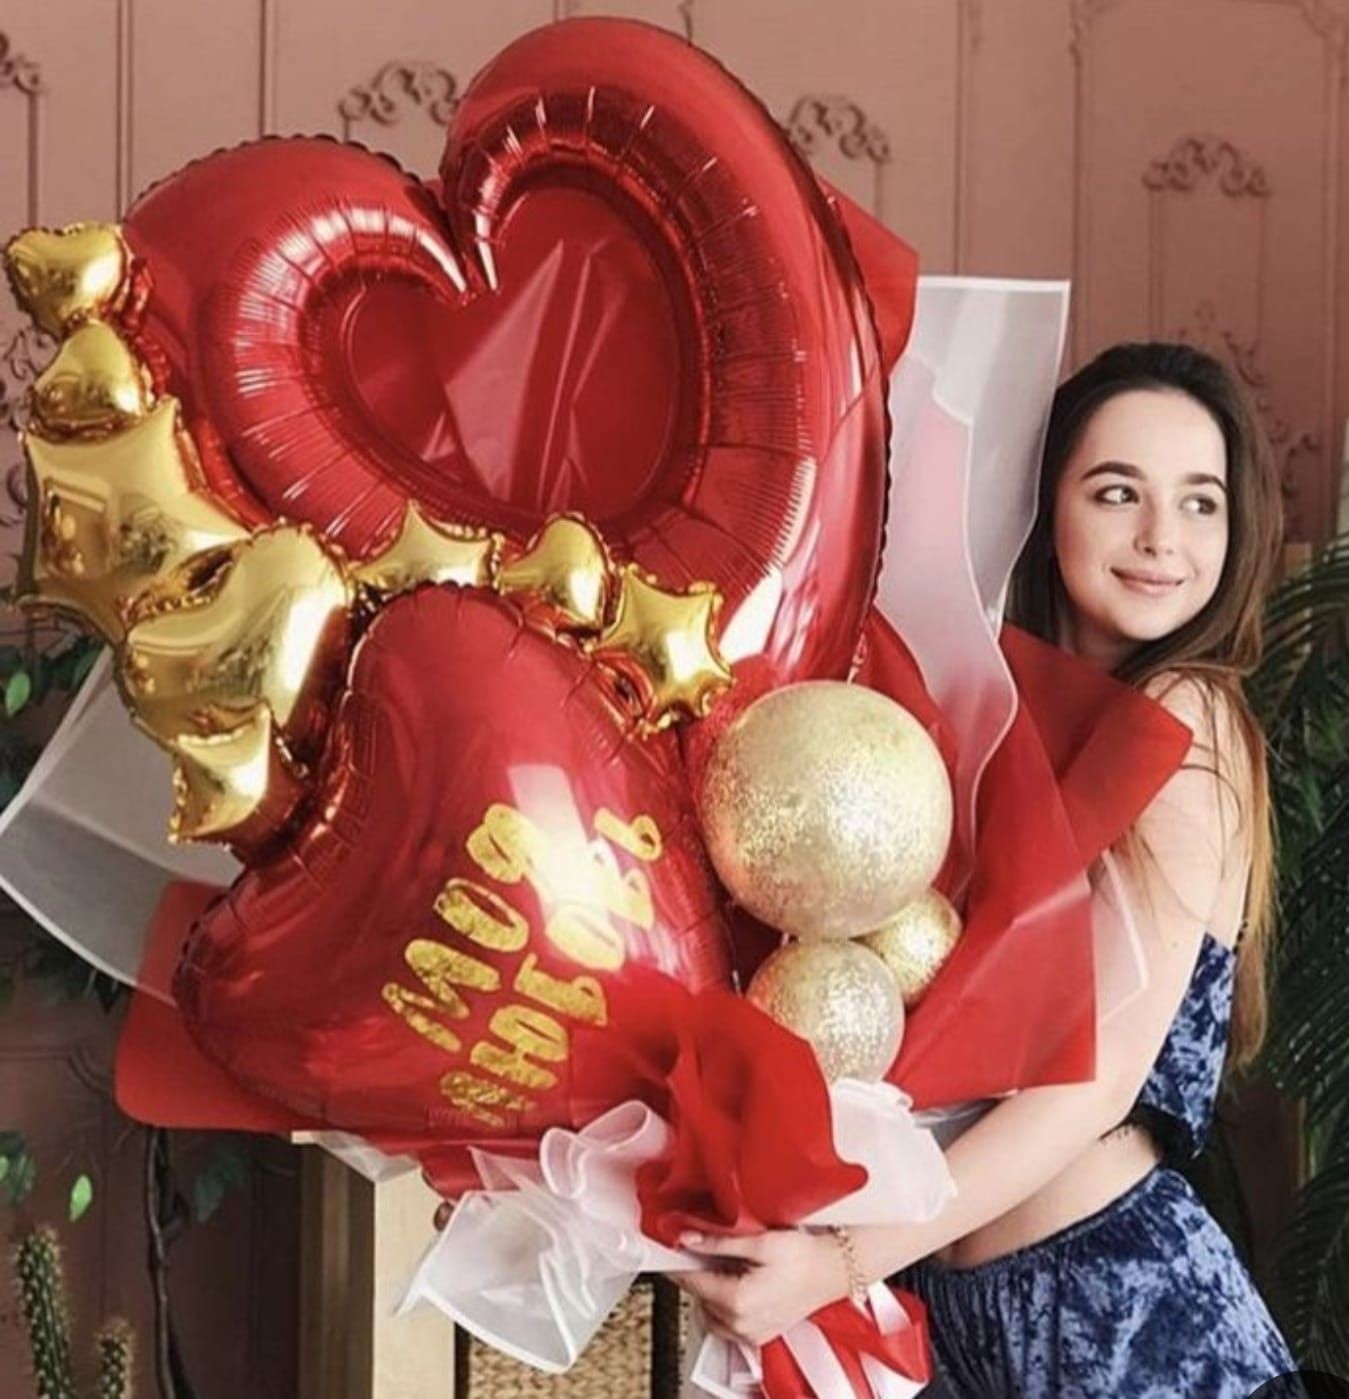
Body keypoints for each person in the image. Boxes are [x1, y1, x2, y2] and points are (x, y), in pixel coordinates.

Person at [672, 341, 1300, 1396]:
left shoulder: (1186, 719)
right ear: (1045, 504)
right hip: (953, 1314)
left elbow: (1087, 1091)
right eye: (1116, 492)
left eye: (1200, 503)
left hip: (1121, 1312)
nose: (1161, 540)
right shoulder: (971, 733)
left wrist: (833, 1266)